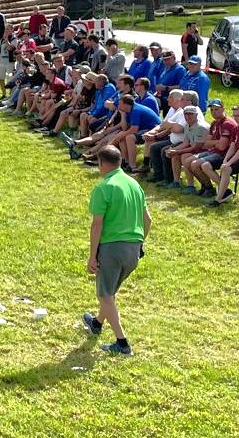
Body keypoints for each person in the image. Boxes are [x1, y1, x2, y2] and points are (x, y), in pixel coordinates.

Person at [80, 145, 149, 357]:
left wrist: (92, 256)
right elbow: (148, 220)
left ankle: (122, 343)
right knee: (109, 292)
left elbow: (97, 225)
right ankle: (97, 323)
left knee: (104, 294)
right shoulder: (134, 185)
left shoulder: (104, 188)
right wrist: (139, 244)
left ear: (101, 163)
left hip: (112, 248)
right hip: (133, 248)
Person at [202, 103, 239, 206]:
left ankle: (218, 200)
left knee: (226, 169)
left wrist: (228, 163)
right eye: (234, 116)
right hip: (234, 158)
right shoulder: (236, 129)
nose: (236, 118)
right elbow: (232, 147)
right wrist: (225, 160)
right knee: (206, 165)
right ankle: (225, 191)